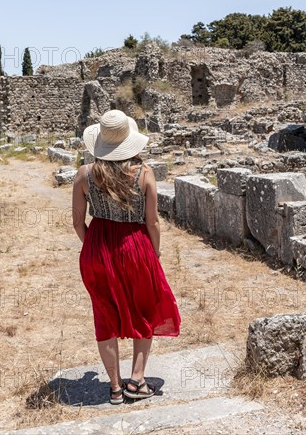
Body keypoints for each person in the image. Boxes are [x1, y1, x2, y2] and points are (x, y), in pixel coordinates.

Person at [72, 109, 181, 405]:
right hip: (134, 247)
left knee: (104, 315)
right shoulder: (144, 173)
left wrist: (93, 246)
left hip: (96, 247)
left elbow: (77, 222)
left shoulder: (84, 174)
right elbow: (153, 221)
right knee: (143, 310)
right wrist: (154, 252)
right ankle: (137, 380)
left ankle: (116, 388)